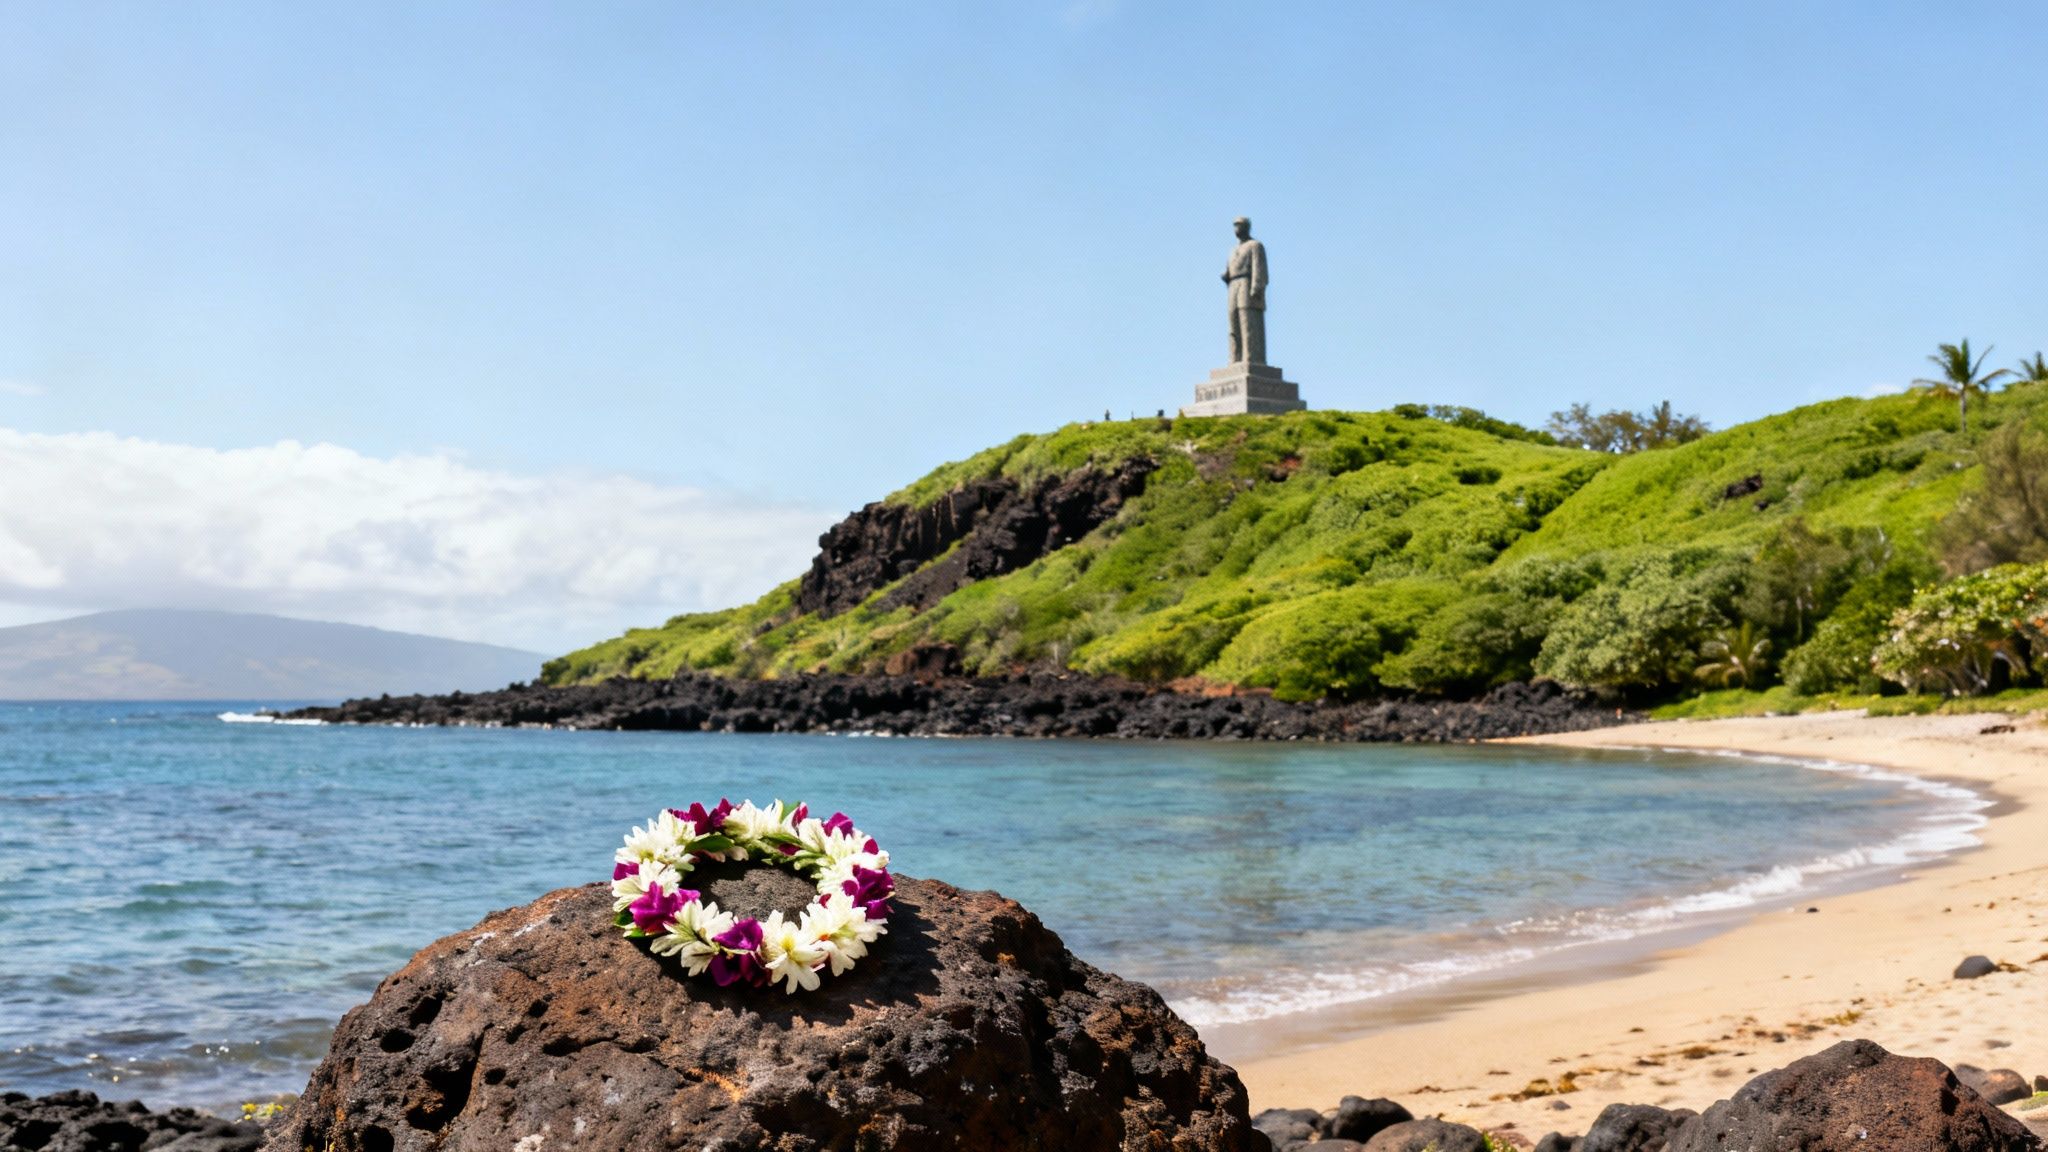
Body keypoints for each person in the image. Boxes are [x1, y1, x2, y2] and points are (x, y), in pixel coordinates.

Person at [1221, 216, 1268, 365]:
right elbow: (1228, 270)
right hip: (1233, 285)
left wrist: (1256, 288)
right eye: (1235, 225)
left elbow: (1259, 268)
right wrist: (1226, 275)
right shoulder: (1232, 250)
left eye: (1239, 225)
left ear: (1247, 227)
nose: (1236, 228)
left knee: (1247, 322)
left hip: (1246, 284)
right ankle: (1234, 358)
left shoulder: (1255, 245)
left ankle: (1251, 358)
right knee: (1233, 323)